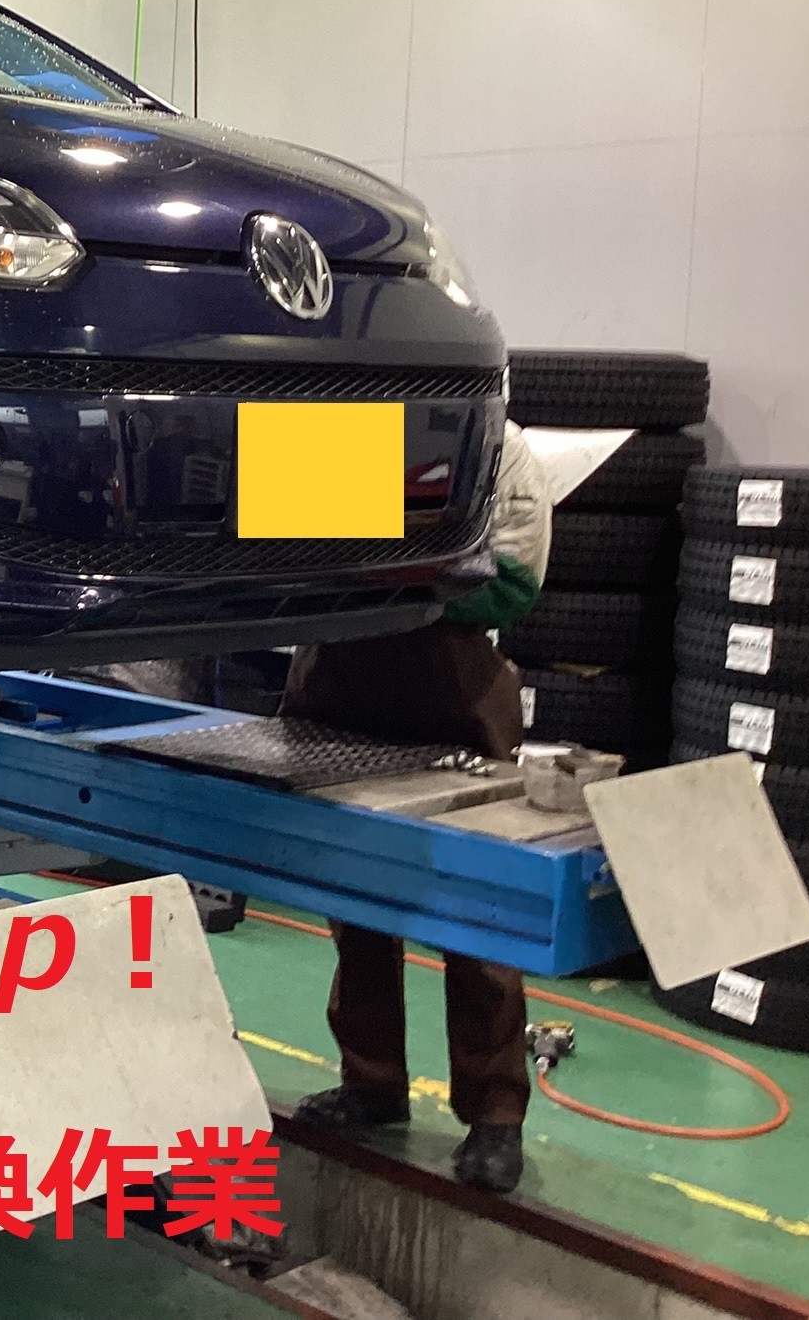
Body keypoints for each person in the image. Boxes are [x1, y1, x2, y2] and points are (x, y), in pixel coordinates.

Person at [284, 421, 552, 1194]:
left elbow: (516, 579)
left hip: (453, 691)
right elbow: (270, 552)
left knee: (476, 904)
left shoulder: (493, 446)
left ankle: (495, 1113)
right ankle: (371, 1082)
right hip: (338, 679)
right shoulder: (317, 438)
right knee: (354, 897)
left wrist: (388, 579)